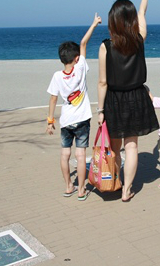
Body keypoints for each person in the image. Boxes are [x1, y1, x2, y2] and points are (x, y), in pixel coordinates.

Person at [97, 0, 159, 202]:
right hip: (136, 97)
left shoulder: (106, 46)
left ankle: (116, 182)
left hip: (114, 99)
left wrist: (100, 109)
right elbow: (141, 15)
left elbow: (103, 82)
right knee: (131, 146)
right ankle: (127, 190)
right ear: (131, 21)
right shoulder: (139, 41)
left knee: (114, 148)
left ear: (112, 21)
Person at [46, 14, 102, 201]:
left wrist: (50, 120)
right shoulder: (80, 69)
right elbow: (83, 43)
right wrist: (94, 24)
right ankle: (81, 190)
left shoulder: (57, 76)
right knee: (80, 155)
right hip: (82, 119)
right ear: (77, 58)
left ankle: (69, 186)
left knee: (64, 154)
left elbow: (53, 99)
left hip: (66, 121)